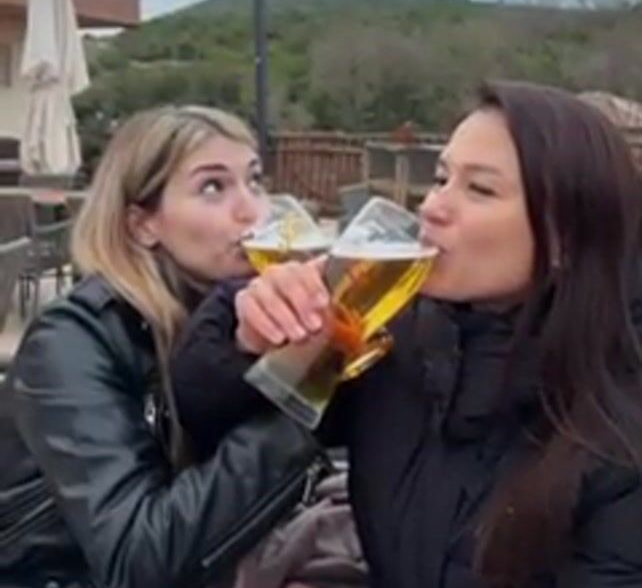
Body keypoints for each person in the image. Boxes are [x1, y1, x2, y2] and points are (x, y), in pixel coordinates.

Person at [170, 81, 642, 588]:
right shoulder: (397, 341)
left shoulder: (619, 428)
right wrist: (248, 339)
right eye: (441, 178)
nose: (433, 206)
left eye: (479, 189)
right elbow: (210, 416)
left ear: (564, 237)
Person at [0, 106, 319, 588]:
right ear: (142, 225)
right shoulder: (72, 342)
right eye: (212, 187)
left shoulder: (232, 320)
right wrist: (303, 392)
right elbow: (138, 561)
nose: (252, 210)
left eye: (254, 181)